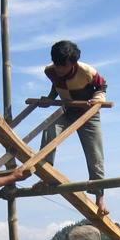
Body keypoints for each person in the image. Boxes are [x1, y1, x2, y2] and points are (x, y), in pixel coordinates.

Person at [37, 40, 109, 216]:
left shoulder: (87, 71)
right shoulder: (50, 70)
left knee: (95, 154)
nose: (60, 69)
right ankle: (46, 175)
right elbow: (57, 85)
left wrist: (98, 99)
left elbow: (102, 86)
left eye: (64, 66)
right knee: (50, 130)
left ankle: (99, 196)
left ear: (74, 62)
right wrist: (50, 98)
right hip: (68, 110)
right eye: (58, 65)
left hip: (88, 113)